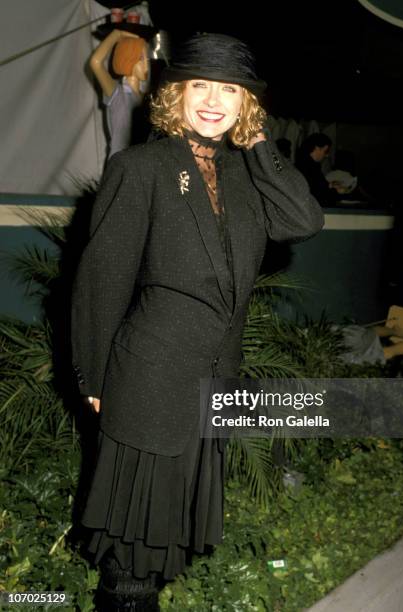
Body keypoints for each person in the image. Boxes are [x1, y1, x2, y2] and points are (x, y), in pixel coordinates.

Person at [71, 32, 324, 610]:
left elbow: (303, 220)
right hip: (148, 380)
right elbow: (100, 281)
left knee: (168, 538)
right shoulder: (140, 169)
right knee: (132, 553)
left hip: (213, 382)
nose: (213, 100)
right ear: (175, 95)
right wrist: (93, 379)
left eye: (230, 90)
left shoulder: (247, 175)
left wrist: (258, 143)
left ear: (247, 105)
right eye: (199, 85)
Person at [89, 29, 150, 158]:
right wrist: (117, 34)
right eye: (141, 59)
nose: (146, 66)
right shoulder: (117, 93)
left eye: (147, 59)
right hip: (120, 167)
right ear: (128, 59)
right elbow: (95, 62)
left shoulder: (145, 97)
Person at [296, 132, 342, 207]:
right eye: (326, 151)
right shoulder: (309, 168)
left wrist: (329, 186)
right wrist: (336, 192)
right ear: (317, 148)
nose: (327, 155)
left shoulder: (305, 164)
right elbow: (318, 194)